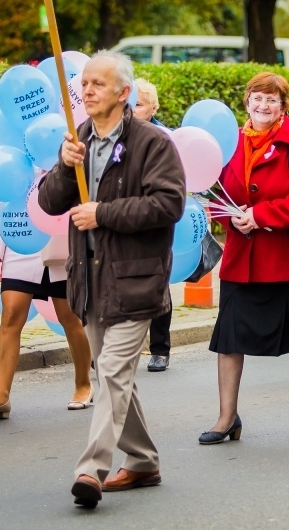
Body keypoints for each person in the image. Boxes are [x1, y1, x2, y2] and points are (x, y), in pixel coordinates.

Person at [38, 51, 186, 509]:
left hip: (135, 280)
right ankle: (142, 460)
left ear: (124, 93)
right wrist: (65, 166)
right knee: (113, 377)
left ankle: (91, 469)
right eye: (84, 83)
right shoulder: (78, 138)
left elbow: (168, 205)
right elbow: (49, 203)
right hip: (89, 279)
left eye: (97, 84)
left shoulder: (152, 143)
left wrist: (103, 214)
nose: (86, 91)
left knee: (112, 373)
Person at [200, 72, 289, 445]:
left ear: (284, 105)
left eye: (272, 100)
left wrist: (261, 216)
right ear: (246, 102)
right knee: (228, 339)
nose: (263, 106)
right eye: (256, 99)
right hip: (241, 259)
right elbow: (210, 191)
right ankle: (226, 416)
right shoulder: (225, 142)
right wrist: (227, 214)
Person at [0, 202, 93, 419]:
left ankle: (83, 384)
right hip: (20, 241)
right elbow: (2, 203)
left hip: (59, 242)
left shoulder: (66, 165)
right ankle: (1, 396)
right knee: (9, 315)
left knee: (70, 318)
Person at [132, 77, 171, 371]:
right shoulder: (114, 135)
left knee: (158, 286)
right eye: (129, 103)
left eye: (140, 104)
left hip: (156, 223)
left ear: (153, 107)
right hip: (122, 222)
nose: (133, 109)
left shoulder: (166, 138)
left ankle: (160, 349)